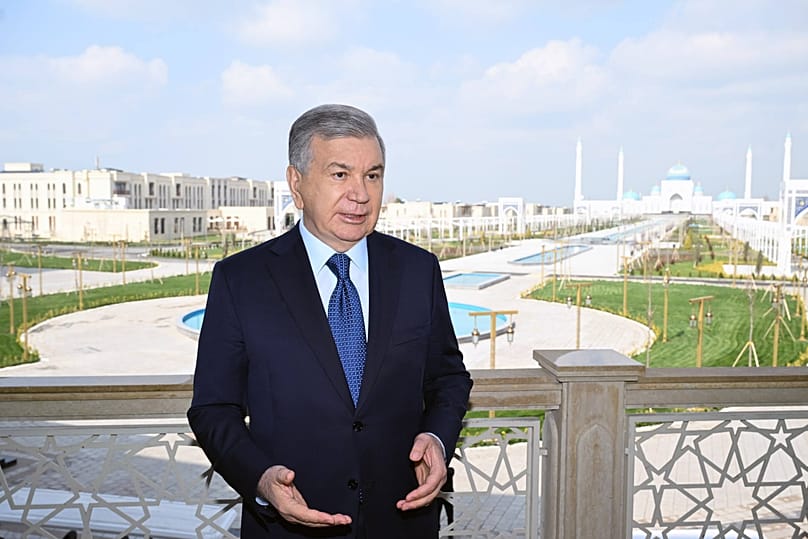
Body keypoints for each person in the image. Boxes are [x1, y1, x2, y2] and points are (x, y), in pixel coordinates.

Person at [188, 104, 473, 538]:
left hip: (402, 522)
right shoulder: (240, 279)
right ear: (296, 183)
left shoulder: (418, 270)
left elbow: (448, 378)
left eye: (373, 175)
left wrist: (435, 438)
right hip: (289, 526)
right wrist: (261, 479)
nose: (360, 193)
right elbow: (213, 409)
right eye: (340, 174)